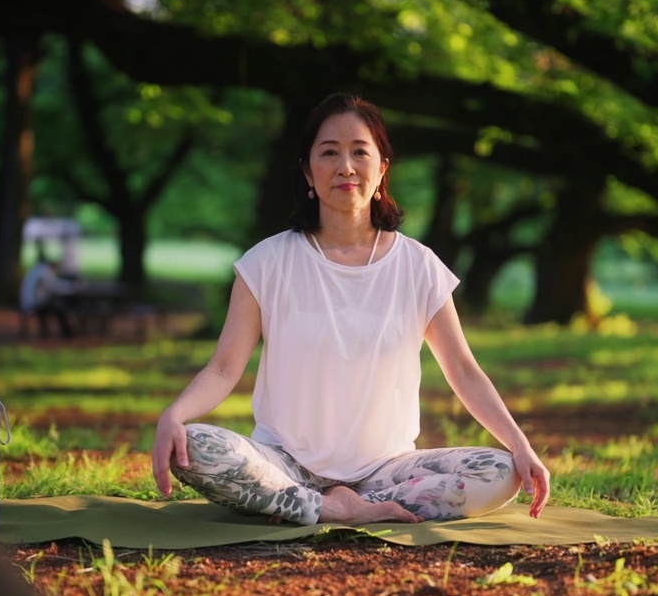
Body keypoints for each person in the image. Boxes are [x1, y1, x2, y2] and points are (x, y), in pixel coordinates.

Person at [152, 93, 550, 526]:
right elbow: (224, 369)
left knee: (499, 472)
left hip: (387, 470)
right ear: (308, 170)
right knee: (195, 445)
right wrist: (175, 413)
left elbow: (464, 371)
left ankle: (329, 506)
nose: (345, 166)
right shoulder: (266, 262)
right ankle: (331, 507)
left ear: (381, 169)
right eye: (329, 153)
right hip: (284, 463)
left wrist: (519, 443)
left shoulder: (419, 266)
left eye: (360, 152)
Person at [20, 242, 75, 338]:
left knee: (56, 305)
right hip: (35, 304)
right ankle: (67, 333)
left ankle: (50, 331)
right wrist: (72, 287)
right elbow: (54, 287)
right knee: (60, 308)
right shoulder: (44, 272)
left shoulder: (34, 270)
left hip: (27, 302)